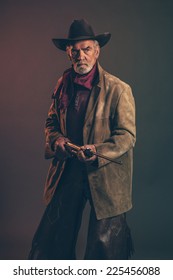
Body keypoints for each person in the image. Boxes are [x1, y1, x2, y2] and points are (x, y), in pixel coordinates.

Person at [28, 19, 136, 260]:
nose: (81, 56)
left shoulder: (119, 89)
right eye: (74, 51)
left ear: (97, 51)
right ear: (68, 53)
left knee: (105, 249)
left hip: (104, 176)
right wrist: (57, 141)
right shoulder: (62, 86)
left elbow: (126, 137)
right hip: (69, 170)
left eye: (86, 49)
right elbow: (51, 124)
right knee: (53, 240)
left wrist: (97, 150)